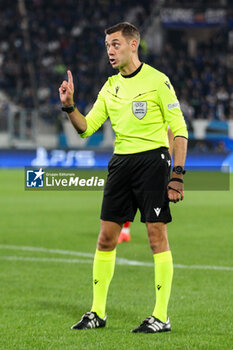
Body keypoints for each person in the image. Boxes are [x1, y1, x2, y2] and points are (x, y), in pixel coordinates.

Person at [59, 22, 188, 333]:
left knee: (156, 237)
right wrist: (69, 106)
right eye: (107, 46)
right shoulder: (110, 86)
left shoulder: (158, 81)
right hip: (120, 164)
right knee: (106, 238)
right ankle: (97, 312)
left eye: (115, 44)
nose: (110, 51)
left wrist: (178, 175)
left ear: (133, 45)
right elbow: (86, 129)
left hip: (153, 162)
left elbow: (180, 131)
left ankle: (161, 316)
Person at [118, 128, 174, 244]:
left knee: (153, 211)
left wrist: (168, 158)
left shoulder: (162, 112)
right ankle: (125, 231)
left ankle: (156, 238)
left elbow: (171, 132)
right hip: (132, 158)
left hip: (154, 161)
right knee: (128, 196)